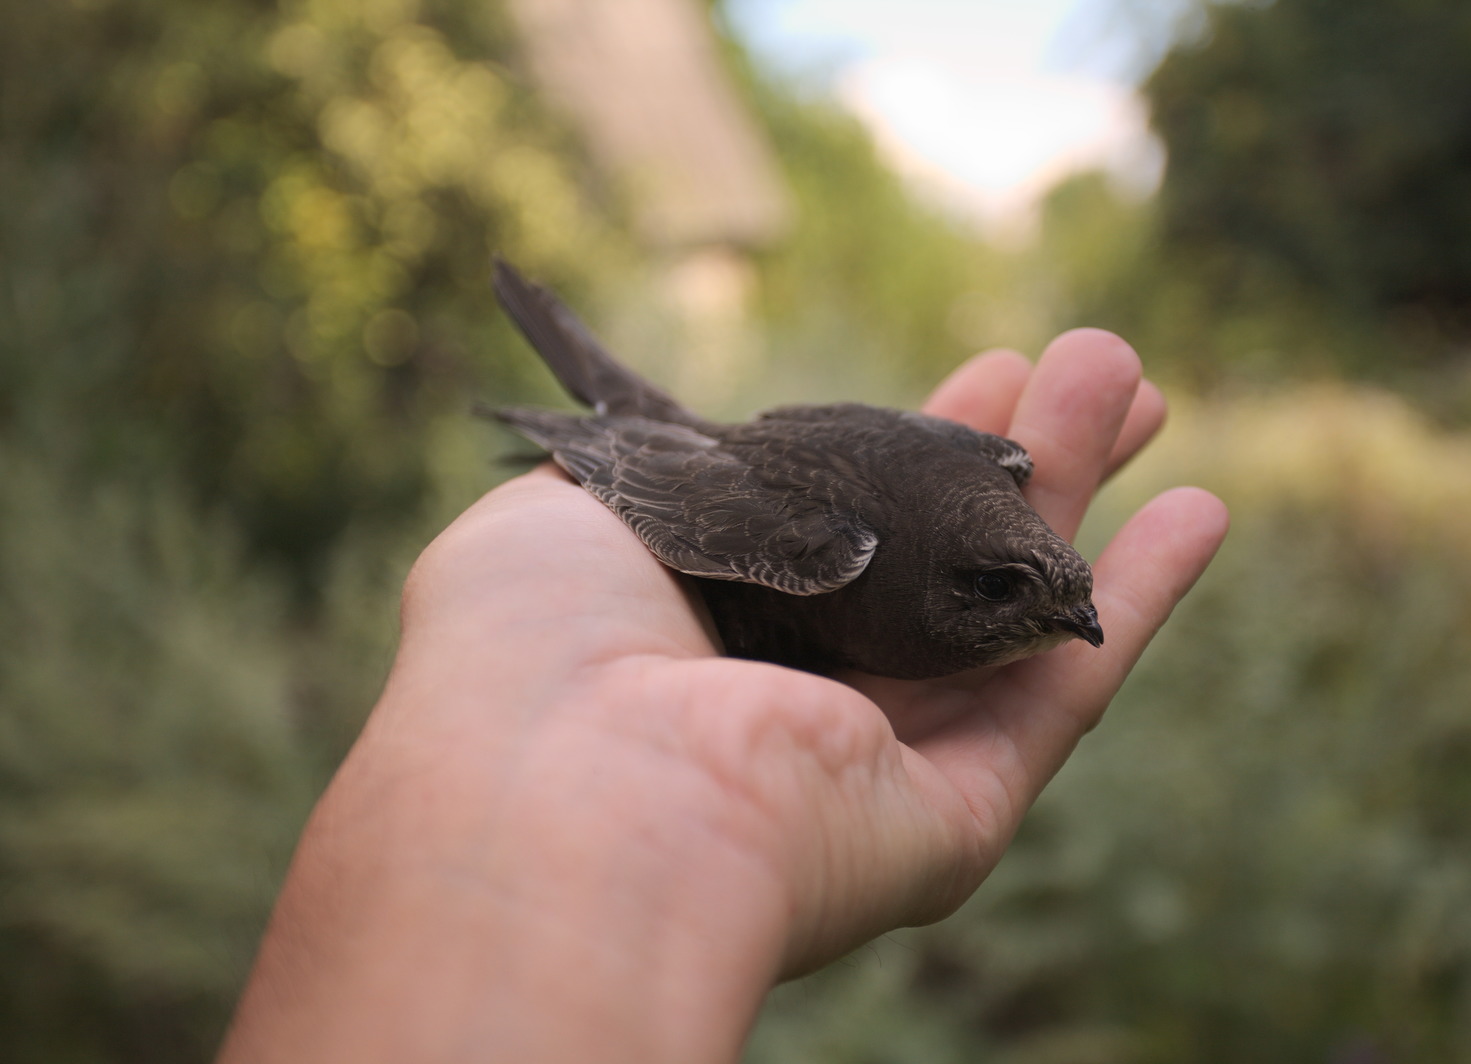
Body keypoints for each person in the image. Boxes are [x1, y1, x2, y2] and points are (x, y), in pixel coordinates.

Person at [216, 329, 1229, 1063]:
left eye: (1068, 597)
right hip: (732, 467)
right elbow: (714, 470)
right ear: (956, 579)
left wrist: (1049, 600)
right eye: (1009, 590)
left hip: (754, 466)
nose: (1069, 630)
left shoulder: (994, 472)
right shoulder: (834, 550)